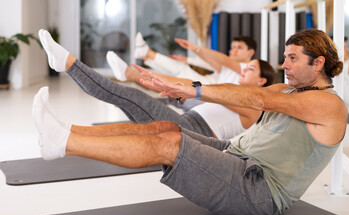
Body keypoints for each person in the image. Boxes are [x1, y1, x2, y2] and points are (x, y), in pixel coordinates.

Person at [33, 29, 347, 215]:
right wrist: (175, 85)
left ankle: (63, 143)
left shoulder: (329, 106)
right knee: (162, 129)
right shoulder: (289, 89)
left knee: (170, 145)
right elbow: (241, 94)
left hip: (258, 190)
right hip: (233, 153)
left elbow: (257, 100)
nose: (284, 65)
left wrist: (195, 90)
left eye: (292, 59)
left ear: (318, 63)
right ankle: (66, 133)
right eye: (285, 57)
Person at [37, 29, 274, 140]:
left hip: (194, 132)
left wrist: (176, 84)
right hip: (189, 123)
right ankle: (64, 133)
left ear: (262, 81)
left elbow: (211, 93)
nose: (244, 70)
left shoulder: (254, 106)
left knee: (131, 97)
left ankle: (67, 64)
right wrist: (156, 79)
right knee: (130, 124)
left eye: (250, 69)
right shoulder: (235, 89)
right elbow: (205, 89)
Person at [117, 33, 257, 86]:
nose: (234, 50)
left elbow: (222, 61)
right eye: (233, 47)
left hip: (212, 88)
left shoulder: (248, 67)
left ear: (250, 52)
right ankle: (147, 56)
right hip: (211, 83)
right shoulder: (231, 66)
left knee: (180, 72)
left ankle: (144, 58)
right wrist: (187, 60)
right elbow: (211, 64)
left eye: (239, 47)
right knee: (179, 70)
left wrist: (195, 48)